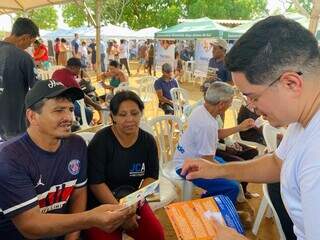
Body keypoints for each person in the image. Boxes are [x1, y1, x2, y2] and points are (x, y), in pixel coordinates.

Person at [181, 15, 320, 239]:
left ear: (291, 83)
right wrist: (220, 170)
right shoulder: (304, 119)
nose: (252, 108)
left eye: (253, 97)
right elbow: (277, 163)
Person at [0, 80, 135, 239]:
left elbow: (78, 194)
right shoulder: (10, 157)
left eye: (70, 109)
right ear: (32, 116)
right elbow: (30, 225)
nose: (69, 117)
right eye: (58, 110)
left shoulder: (76, 145)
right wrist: (90, 218)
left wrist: (72, 238)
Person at [85, 91, 165, 240]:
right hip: (101, 205)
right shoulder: (101, 142)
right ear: (113, 117)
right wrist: (122, 214)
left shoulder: (148, 141)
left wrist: (133, 205)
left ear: (141, 113)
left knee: (156, 234)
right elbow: (96, 184)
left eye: (134, 113)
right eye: (122, 115)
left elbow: (151, 176)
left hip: (132, 200)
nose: (130, 119)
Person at [174, 82, 240, 204]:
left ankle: (209, 200)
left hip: (186, 159)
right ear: (221, 104)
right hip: (186, 166)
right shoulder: (207, 124)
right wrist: (227, 172)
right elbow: (207, 161)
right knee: (232, 187)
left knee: (231, 172)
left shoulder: (201, 109)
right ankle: (215, 214)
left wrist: (240, 127)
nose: (231, 105)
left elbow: (216, 134)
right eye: (230, 102)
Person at [0, 17, 39, 141]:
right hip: (14, 123)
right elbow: (37, 89)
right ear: (25, 37)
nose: (29, 46)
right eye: (31, 42)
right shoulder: (23, 58)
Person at [52, 57, 103, 124]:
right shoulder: (70, 79)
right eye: (79, 69)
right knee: (88, 114)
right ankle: (79, 129)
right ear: (74, 67)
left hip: (52, 100)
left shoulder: (57, 72)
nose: (79, 71)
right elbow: (82, 95)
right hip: (62, 102)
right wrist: (94, 105)